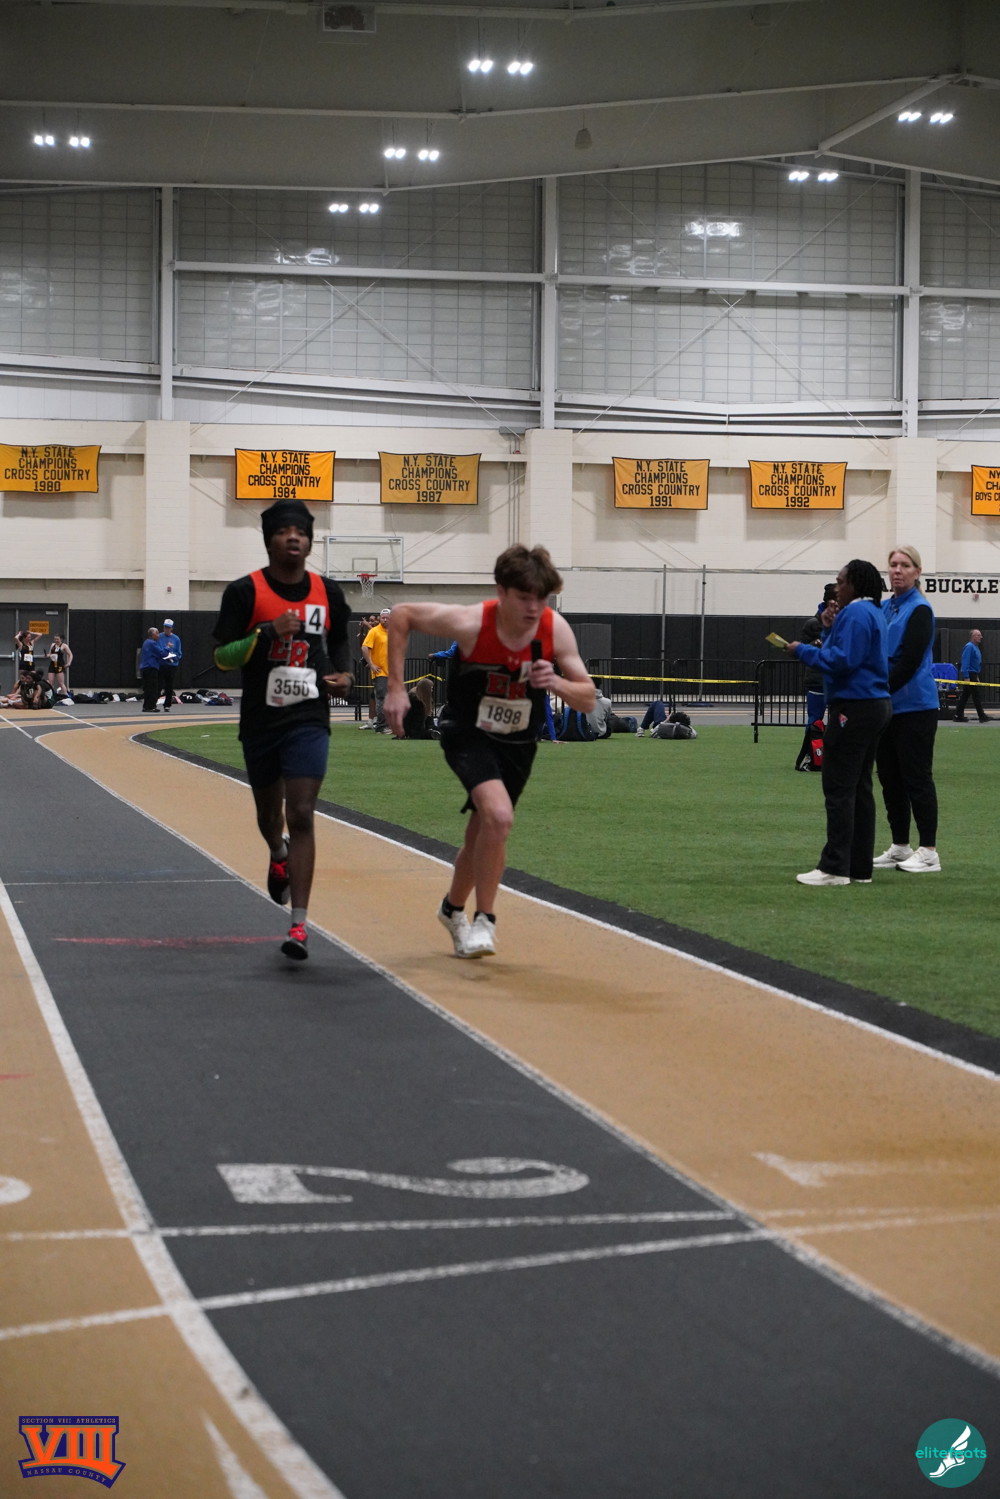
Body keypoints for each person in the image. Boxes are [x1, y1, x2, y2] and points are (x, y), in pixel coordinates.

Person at [384, 544, 595, 958]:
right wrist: (395, 688)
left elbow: (587, 698)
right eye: (524, 597)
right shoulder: (471, 624)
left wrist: (555, 682)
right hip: (469, 733)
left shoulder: (554, 629)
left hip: (517, 742)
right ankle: (485, 920)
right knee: (499, 816)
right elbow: (402, 614)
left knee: (485, 831)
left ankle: (451, 910)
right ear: (501, 592)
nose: (533, 608)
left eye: (541, 598)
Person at [212, 498, 352, 961]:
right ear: (269, 540)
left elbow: (338, 640)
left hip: (308, 717)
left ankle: (299, 925)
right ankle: (277, 852)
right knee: (270, 817)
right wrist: (267, 632)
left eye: (302, 532)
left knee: (303, 812)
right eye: (284, 531)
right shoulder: (244, 592)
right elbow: (222, 657)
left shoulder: (328, 592)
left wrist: (344, 674)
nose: (294, 537)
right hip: (261, 720)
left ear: (309, 543)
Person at [787, 559, 891, 886]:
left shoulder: (857, 613)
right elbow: (848, 652)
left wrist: (802, 650)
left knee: (839, 787)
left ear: (855, 584)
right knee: (859, 788)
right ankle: (858, 868)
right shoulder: (871, 611)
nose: (836, 587)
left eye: (841, 581)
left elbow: (843, 661)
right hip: (872, 705)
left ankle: (834, 868)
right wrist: (830, 629)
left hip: (855, 705)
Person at [873, 546, 942, 874]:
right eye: (893, 565)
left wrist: (875, 691)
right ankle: (900, 845)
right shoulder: (884, 608)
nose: (897, 570)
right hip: (888, 707)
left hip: (915, 706)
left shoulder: (920, 610)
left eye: (904, 565)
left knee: (917, 778)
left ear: (917, 571)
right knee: (890, 778)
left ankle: (928, 851)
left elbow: (909, 662)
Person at [795, 583, 837, 769]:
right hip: (817, 680)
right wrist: (816, 644)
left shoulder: (845, 620)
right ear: (828, 601)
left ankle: (836, 756)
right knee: (814, 721)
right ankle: (811, 756)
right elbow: (802, 650)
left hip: (837, 681)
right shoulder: (812, 623)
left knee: (839, 722)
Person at [361, 608, 391, 733]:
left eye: (387, 618)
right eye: (383, 617)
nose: (385, 619)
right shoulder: (374, 631)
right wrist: (371, 664)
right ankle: (381, 726)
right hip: (380, 671)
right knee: (381, 698)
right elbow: (364, 647)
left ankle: (389, 725)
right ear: (380, 618)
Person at [954, 628, 993, 724]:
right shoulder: (969, 647)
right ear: (973, 636)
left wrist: (977, 675)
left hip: (973, 674)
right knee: (976, 695)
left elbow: (975, 663)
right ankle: (981, 716)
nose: (981, 637)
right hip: (970, 674)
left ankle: (958, 715)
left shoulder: (975, 647)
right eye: (978, 635)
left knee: (965, 695)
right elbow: (965, 662)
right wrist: (966, 676)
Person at [356, 613, 379, 726]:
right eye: (369, 620)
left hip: (380, 667)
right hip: (372, 666)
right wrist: (361, 629)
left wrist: (367, 625)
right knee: (372, 694)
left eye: (373, 620)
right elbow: (362, 644)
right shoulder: (370, 632)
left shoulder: (379, 632)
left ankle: (379, 719)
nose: (371, 622)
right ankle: (371, 719)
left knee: (379, 694)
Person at [138, 627, 165, 712]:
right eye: (157, 633)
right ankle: (151, 706)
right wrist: (168, 648)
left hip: (145, 668)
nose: (158, 635)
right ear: (153, 634)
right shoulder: (152, 643)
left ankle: (146, 706)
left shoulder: (146, 642)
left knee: (147, 688)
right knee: (153, 688)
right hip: (151, 667)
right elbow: (161, 653)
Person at [159, 618, 182, 712]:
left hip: (172, 665)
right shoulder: (159, 637)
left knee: (169, 686)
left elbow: (179, 654)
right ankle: (153, 703)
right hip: (161, 664)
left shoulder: (176, 639)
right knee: (158, 684)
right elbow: (158, 650)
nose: (166, 629)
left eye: (168, 627)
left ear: (172, 628)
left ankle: (167, 705)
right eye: (165, 627)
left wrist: (172, 657)